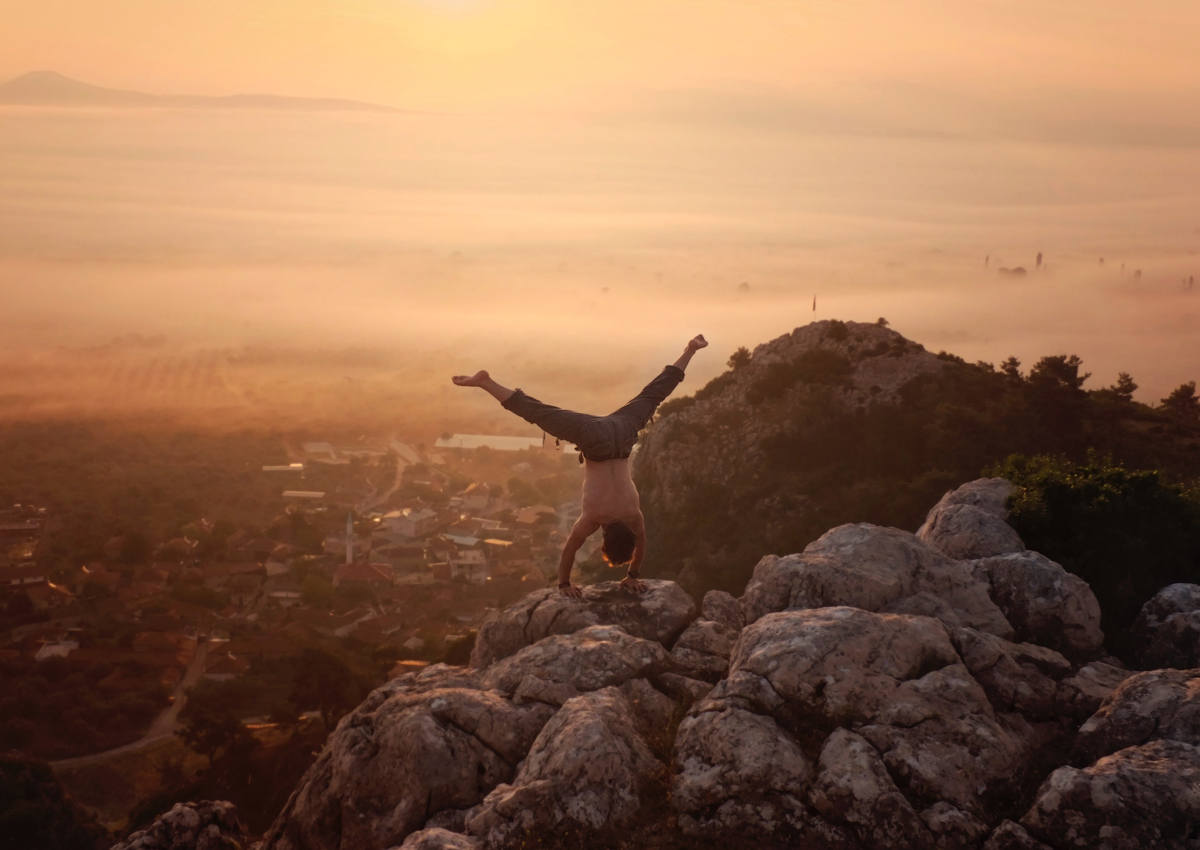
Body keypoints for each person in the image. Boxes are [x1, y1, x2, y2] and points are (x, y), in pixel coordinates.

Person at [452, 334, 708, 598]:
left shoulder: (634, 518)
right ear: (604, 542)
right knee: (540, 413)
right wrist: (564, 584)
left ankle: (690, 349)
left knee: (654, 394)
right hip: (594, 440)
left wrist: (633, 574)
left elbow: (641, 545)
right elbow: (570, 550)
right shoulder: (594, 519)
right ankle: (485, 382)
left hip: (623, 433)